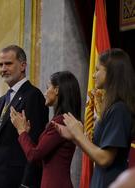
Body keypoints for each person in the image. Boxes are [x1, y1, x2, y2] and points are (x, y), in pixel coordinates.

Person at [54, 48, 135, 188]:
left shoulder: (119, 109)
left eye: (97, 70)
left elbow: (104, 159)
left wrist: (79, 135)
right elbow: (96, 150)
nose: (93, 75)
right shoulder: (111, 108)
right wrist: (74, 136)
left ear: (111, 73)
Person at [10, 71, 81, 188]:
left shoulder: (60, 121)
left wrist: (21, 131)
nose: (45, 93)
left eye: (48, 88)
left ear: (57, 90)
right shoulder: (64, 119)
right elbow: (42, 158)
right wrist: (26, 134)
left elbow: (34, 155)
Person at [0, 45, 49, 188]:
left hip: (20, 179)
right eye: (1, 65)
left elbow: (35, 141)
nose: (3, 69)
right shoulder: (2, 100)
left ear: (23, 65)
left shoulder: (33, 95)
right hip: (0, 177)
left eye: (8, 64)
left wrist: (27, 182)